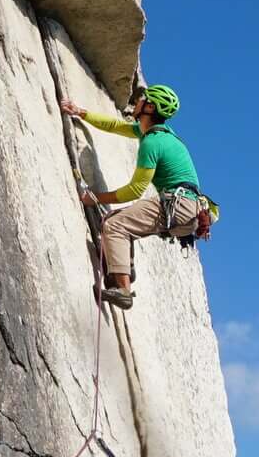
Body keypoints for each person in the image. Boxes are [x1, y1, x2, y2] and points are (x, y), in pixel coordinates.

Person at [63, 82, 214, 308]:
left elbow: (134, 190)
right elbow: (115, 125)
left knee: (114, 226)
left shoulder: (153, 142)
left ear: (150, 108)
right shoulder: (158, 134)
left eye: (142, 99)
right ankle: (123, 268)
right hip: (188, 211)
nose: (136, 102)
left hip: (178, 204)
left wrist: (94, 198)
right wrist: (81, 113)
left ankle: (123, 290)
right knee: (124, 223)